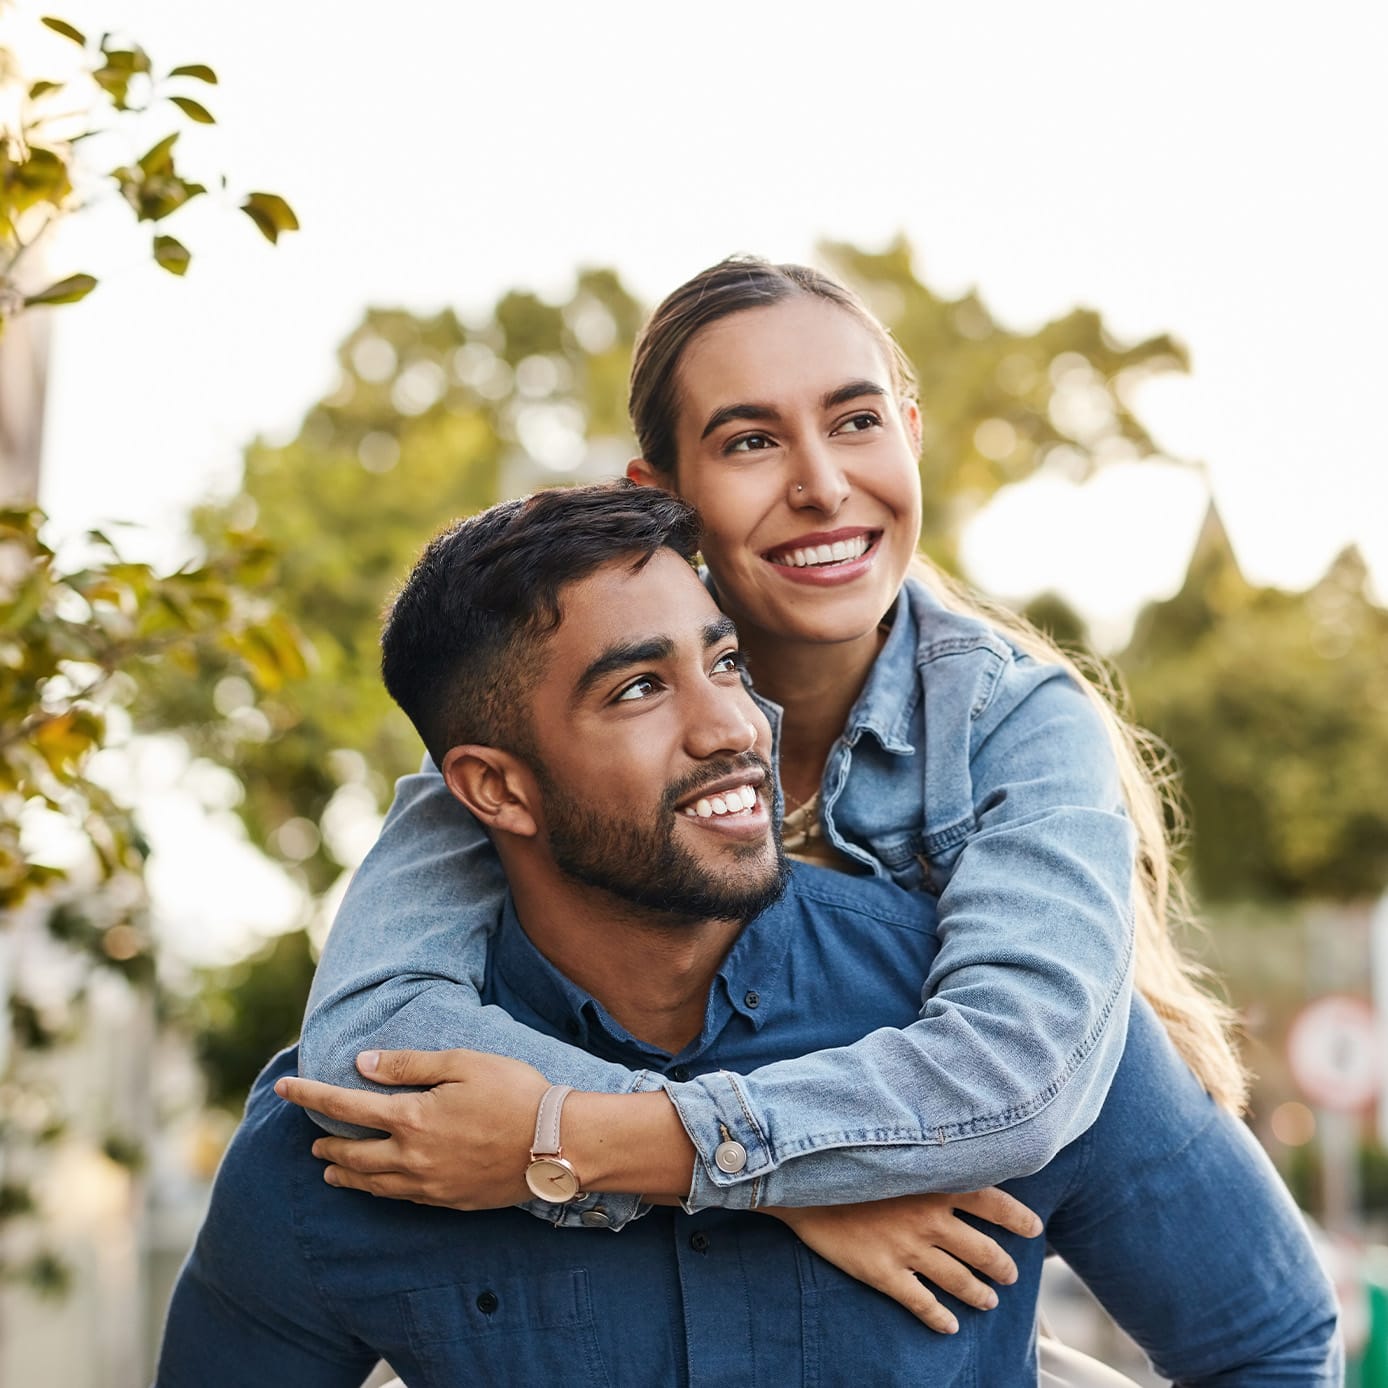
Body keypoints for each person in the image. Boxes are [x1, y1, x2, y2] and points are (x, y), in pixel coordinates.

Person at [159, 485, 1338, 1385]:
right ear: (495, 790)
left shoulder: (989, 1014)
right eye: (636, 688)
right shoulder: (357, 1141)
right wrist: (783, 1186)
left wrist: (583, 1139)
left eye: (723, 659)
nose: (730, 724)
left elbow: (1272, 1344)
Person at [294, 257, 1244, 1237]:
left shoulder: (1013, 724)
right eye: (749, 440)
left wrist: (593, 1141)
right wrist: (785, 1190)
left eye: (856, 421)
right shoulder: (549, 718)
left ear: (910, 435)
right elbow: (363, 1051)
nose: (823, 485)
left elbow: (1013, 1075)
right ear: (662, 491)